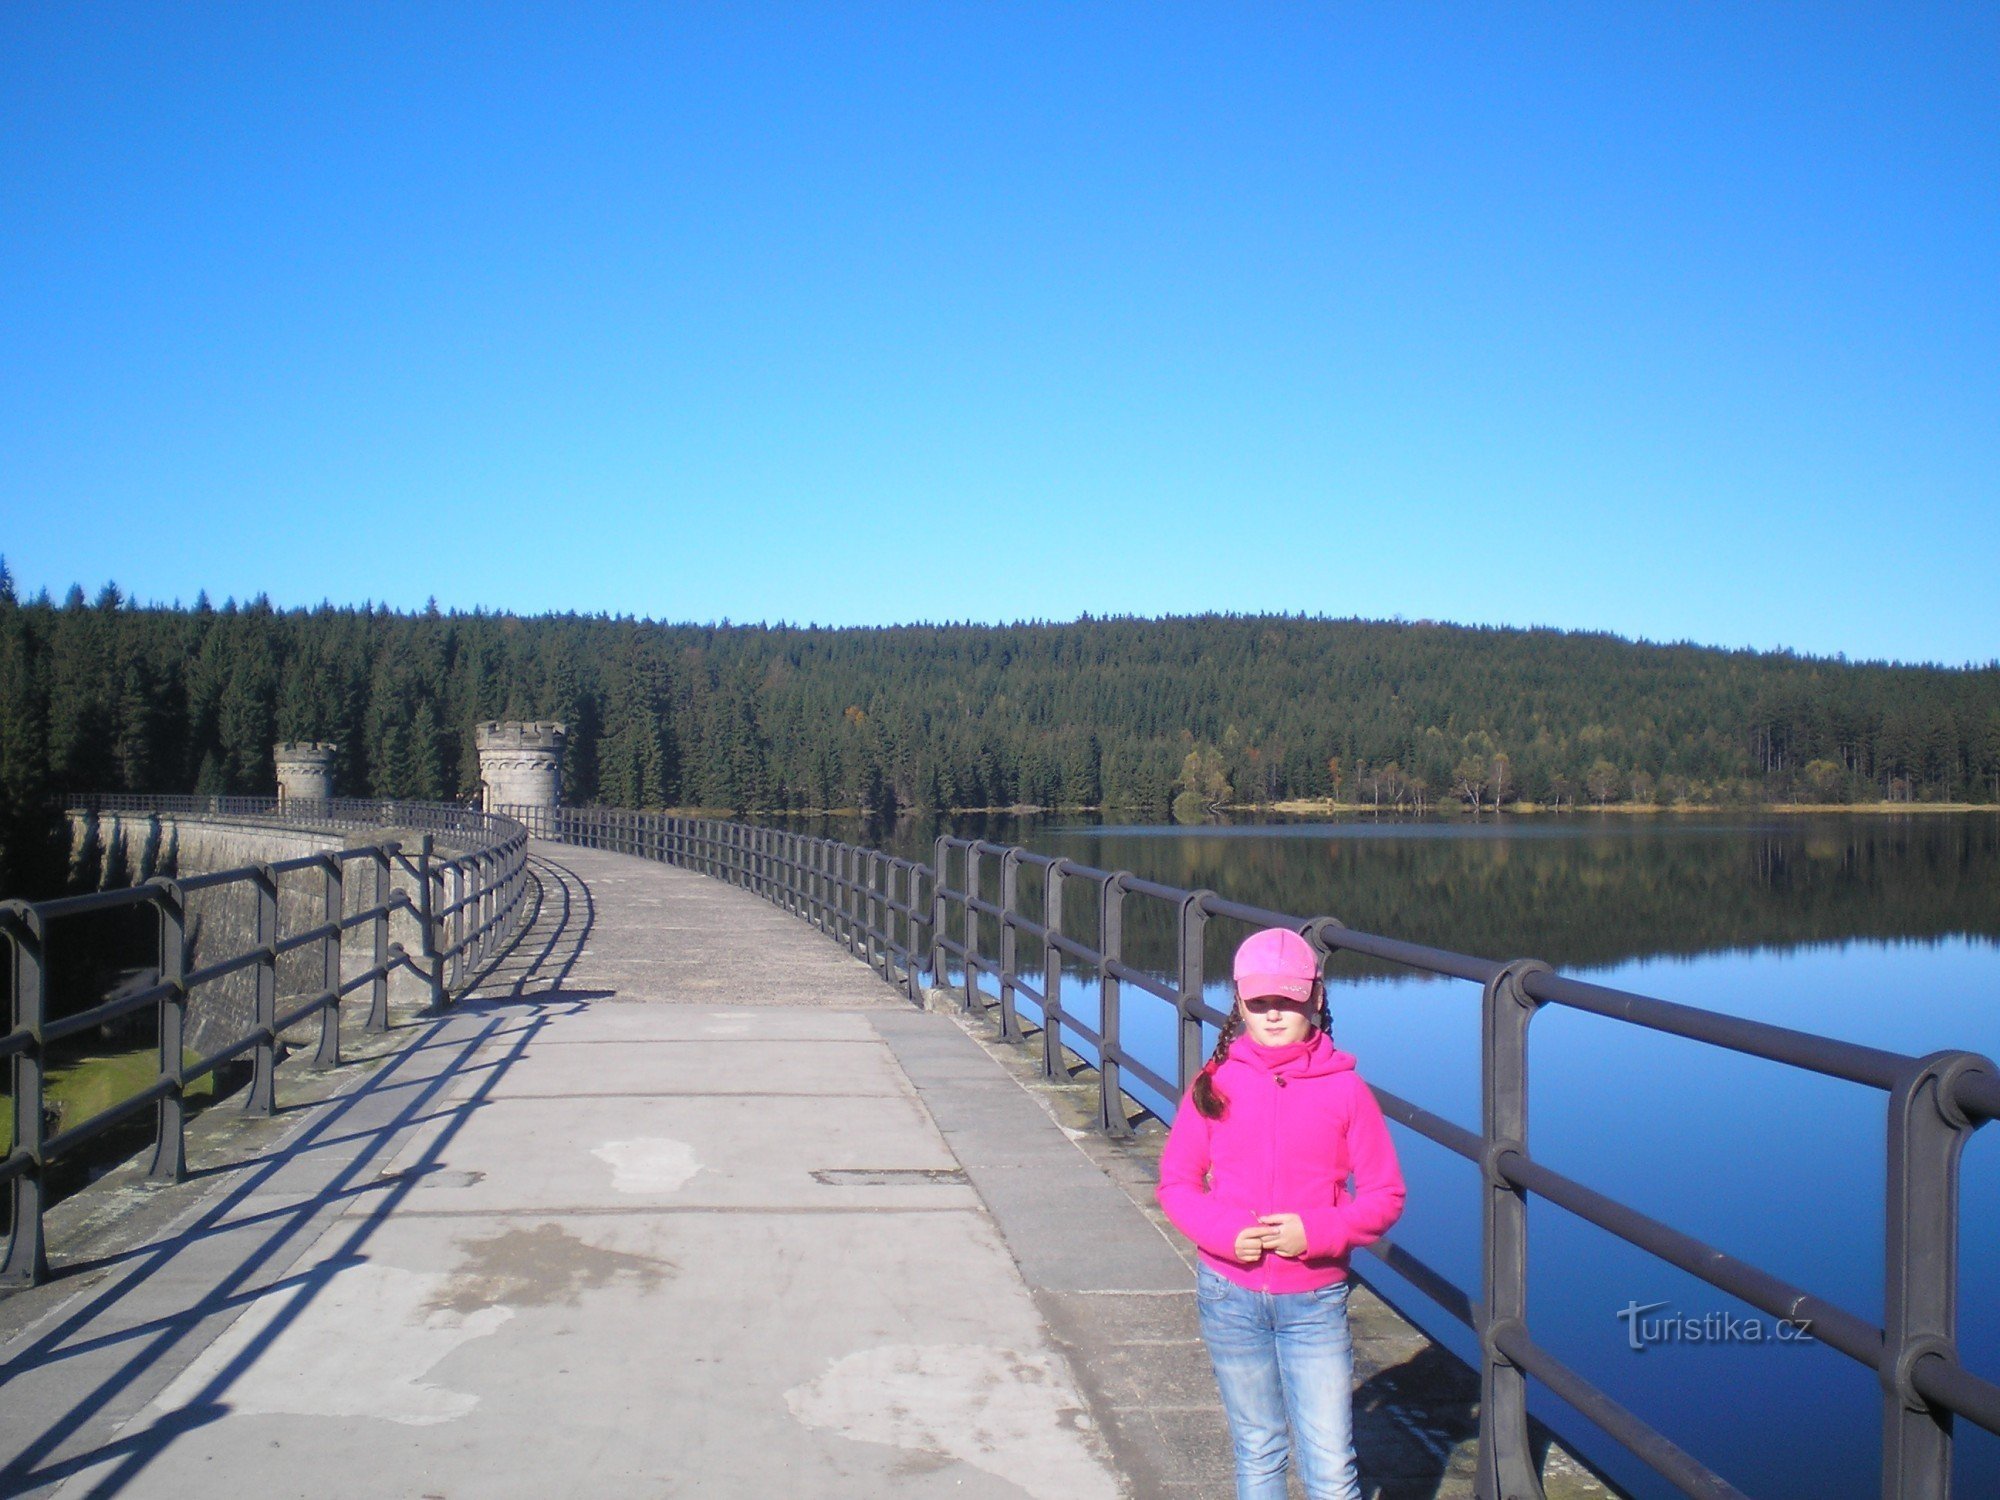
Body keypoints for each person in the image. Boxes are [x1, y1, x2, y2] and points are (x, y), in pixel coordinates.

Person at [1156, 926, 1407, 1500]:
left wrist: (1316, 1232)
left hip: (1314, 1300)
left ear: (1315, 999)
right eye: (1259, 1002)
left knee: (1329, 1462)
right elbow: (1176, 1182)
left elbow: (1384, 1194)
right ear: (1238, 1000)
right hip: (1228, 1294)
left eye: (1288, 1002)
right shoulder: (1214, 1083)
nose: (1273, 1015)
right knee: (1260, 1449)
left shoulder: (1346, 1092)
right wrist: (1223, 1233)